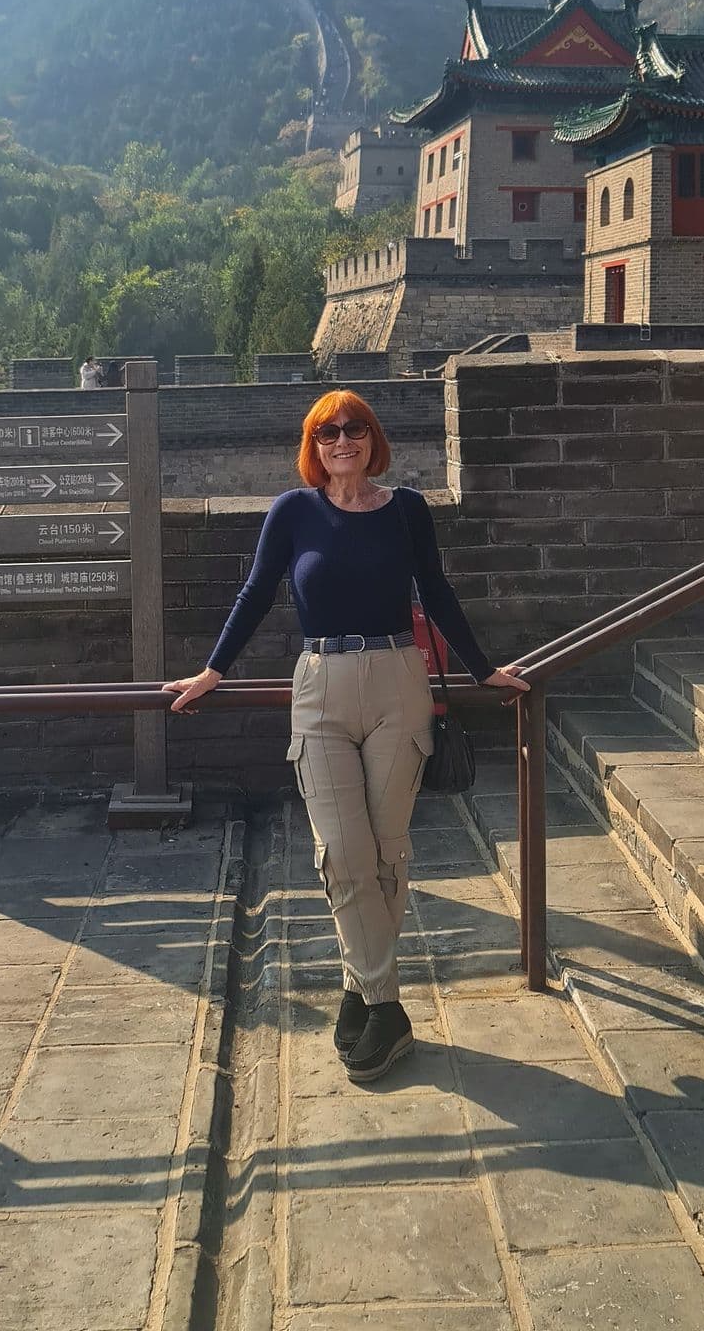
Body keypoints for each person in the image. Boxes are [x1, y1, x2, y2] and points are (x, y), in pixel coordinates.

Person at [166, 389, 529, 1083]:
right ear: (313, 444)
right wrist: (213, 670)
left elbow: (438, 592)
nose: (341, 441)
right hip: (320, 688)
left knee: (387, 851)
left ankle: (360, 991)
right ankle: (384, 1002)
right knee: (343, 853)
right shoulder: (292, 511)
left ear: (372, 440)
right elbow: (254, 593)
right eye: (328, 431)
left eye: (354, 429)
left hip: (399, 681)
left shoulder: (407, 511)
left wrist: (485, 669)